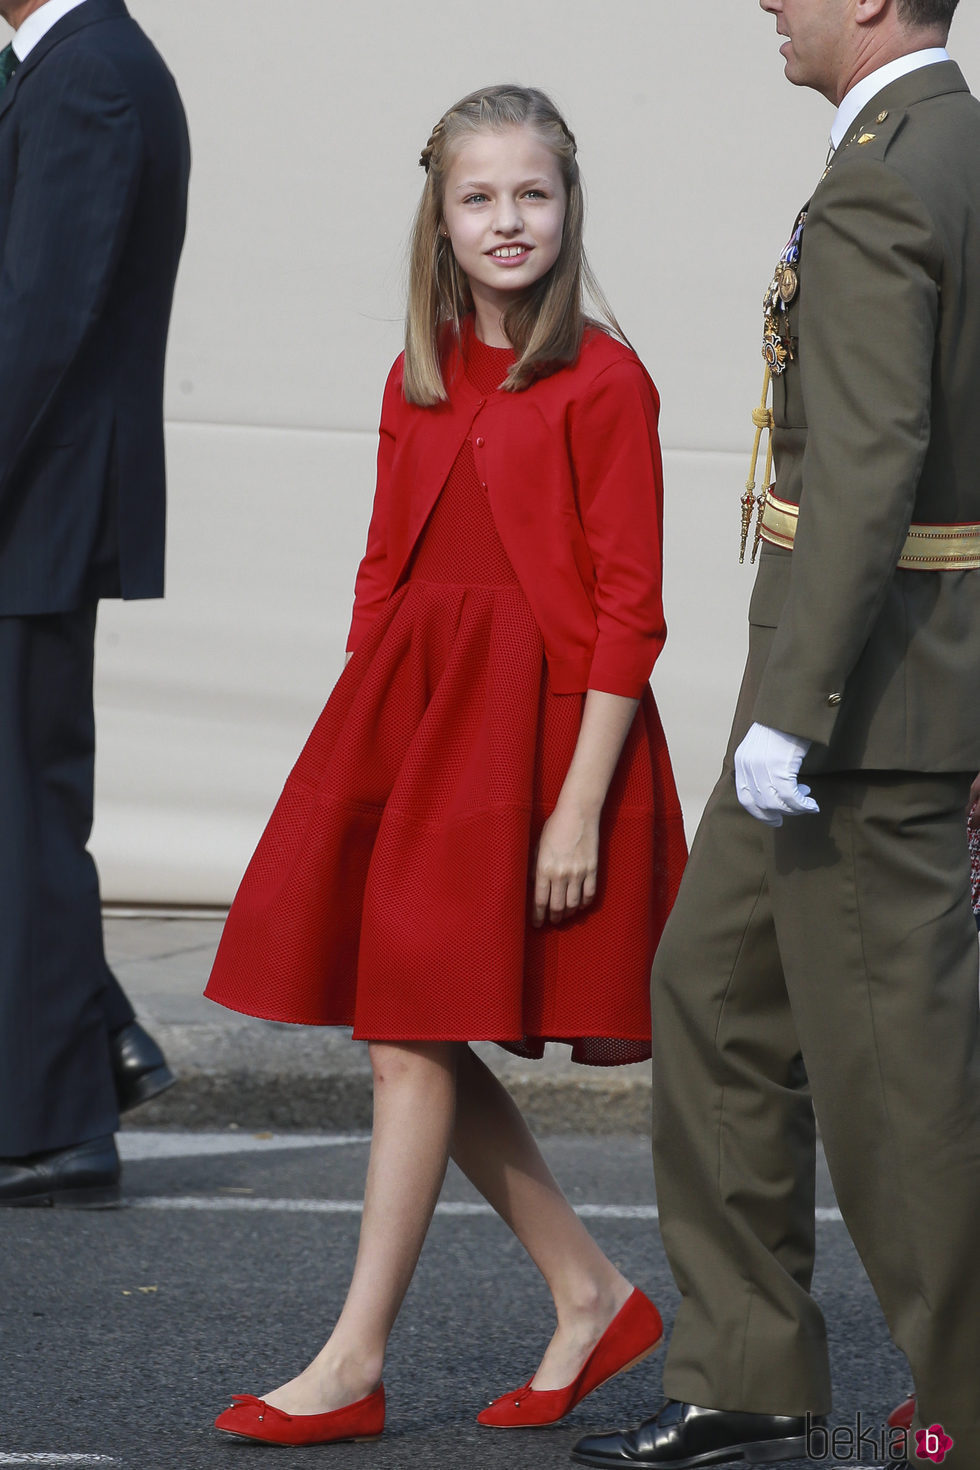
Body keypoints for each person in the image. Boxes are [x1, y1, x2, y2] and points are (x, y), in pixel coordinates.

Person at [204, 84, 686, 1448]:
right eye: (479, 198)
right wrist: (356, 749)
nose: (507, 220)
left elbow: (630, 610)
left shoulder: (605, 379)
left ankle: (359, 1356)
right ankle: (587, 1291)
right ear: (441, 219)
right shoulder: (412, 381)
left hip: (536, 747)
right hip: (411, 733)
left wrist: (579, 803)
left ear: (567, 207)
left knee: (409, 1032)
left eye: (531, 194)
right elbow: (383, 569)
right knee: (404, 1020)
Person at [572, 2, 980, 1469]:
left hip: (860, 703)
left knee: (900, 1077)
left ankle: (969, 1407)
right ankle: (749, 1362)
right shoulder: (942, 145)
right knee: (715, 990)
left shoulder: (891, 169)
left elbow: (868, 460)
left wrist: (794, 711)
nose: (769, 4)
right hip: (851, 682)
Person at [0, 0, 189, 1208]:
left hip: (36, 503)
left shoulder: (91, 76)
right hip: (37, 498)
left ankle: (65, 1120)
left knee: (22, 815)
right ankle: (101, 1039)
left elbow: (37, 325)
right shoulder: (56, 66)